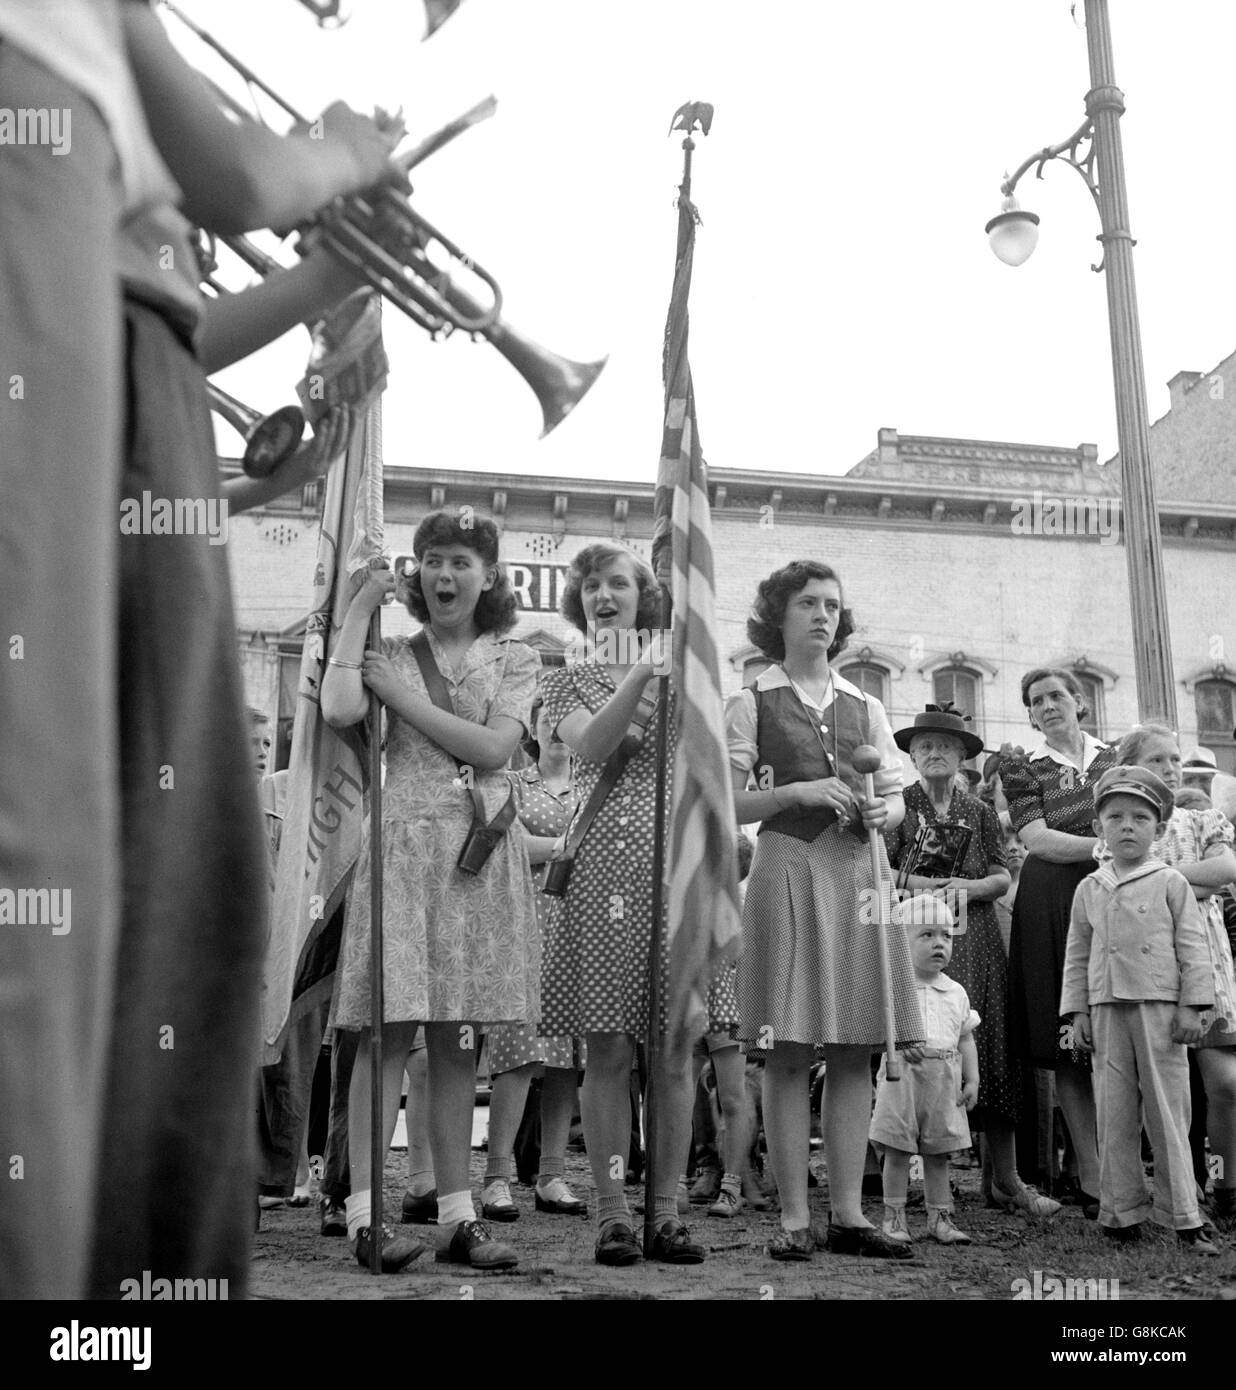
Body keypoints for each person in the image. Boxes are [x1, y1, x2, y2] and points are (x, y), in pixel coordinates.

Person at [323, 511, 540, 1272]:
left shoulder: (515, 657)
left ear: (488, 576)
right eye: (431, 561)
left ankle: (457, 1216)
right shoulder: (388, 646)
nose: (444, 576)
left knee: (457, 1039)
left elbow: (492, 749)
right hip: (406, 848)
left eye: (460, 562)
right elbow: (340, 708)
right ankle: (365, 1217)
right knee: (386, 1032)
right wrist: (356, 611)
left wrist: (401, 696)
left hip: (477, 853)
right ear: (414, 573)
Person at [726, 560, 921, 1261]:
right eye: (806, 603)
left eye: (832, 605)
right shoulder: (751, 700)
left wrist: (883, 807)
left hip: (857, 874)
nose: (822, 615)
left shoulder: (865, 706)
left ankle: (847, 1215)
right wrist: (793, 795)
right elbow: (725, 801)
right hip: (785, 869)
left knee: (852, 1049)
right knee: (785, 1050)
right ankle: (791, 1218)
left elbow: (898, 800)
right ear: (777, 616)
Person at [539, 544, 704, 1267]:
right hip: (603, 864)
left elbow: (715, 770)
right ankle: (611, 1209)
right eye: (591, 586)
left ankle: (664, 1212)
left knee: (673, 1049)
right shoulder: (569, 681)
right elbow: (597, 747)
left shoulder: (689, 680)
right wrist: (641, 668)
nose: (603, 594)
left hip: (677, 868)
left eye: (619, 583)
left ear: (645, 595)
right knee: (606, 1046)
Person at [886, 705, 1059, 1219]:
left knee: (987, 1042)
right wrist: (931, 888)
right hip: (915, 936)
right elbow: (883, 872)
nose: (934, 753)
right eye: (924, 747)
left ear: (962, 756)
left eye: (945, 745)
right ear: (912, 757)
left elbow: (1001, 874)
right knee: (918, 1046)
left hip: (977, 937)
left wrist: (968, 886)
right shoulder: (901, 804)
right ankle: (912, 1179)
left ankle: (1004, 1179)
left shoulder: (980, 810)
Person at [1060, 766, 1218, 1253]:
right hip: (1107, 1008)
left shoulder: (1170, 881)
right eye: (1115, 816)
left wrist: (1194, 1006)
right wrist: (1077, 1013)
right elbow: (1077, 954)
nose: (1127, 826)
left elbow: (1194, 947)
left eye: (1141, 818)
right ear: (1098, 827)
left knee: (1168, 1113)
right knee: (1113, 1113)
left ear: (1160, 827)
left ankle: (1184, 1216)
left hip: (1160, 1011)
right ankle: (1120, 1213)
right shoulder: (1090, 887)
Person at [1002, 668, 1118, 1220]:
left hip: (1118, 897)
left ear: (1080, 701)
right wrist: (1110, 847)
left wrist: (1120, 857)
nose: (1047, 706)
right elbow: (1036, 838)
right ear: (1029, 714)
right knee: (1071, 1035)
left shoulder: (1115, 758)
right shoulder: (1023, 767)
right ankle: (1096, 1183)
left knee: (1119, 1027)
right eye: (1035, 701)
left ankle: (1120, 1171)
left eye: (1055, 696)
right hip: (1053, 900)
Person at [1111, 724, 1236, 1230]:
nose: (1169, 770)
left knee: (1225, 1082)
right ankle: (1177, 1194)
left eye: (1174, 760)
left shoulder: (1203, 818)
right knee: (1162, 1095)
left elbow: (1225, 868)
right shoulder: (1124, 822)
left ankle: (1226, 1182)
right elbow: (1121, 884)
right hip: (1150, 974)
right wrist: (1188, 883)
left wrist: (1159, 879)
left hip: (1207, 965)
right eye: (1157, 761)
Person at [481, 700, 588, 1222]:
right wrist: (567, 847)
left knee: (569, 1059)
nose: (561, 730)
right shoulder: (515, 783)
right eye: (551, 720)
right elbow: (507, 844)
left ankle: (551, 1174)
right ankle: (496, 1177)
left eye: (571, 721)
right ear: (535, 728)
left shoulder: (594, 785)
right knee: (518, 1051)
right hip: (527, 924)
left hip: (581, 931)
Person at [872, 895, 979, 1246]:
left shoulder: (956, 992)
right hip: (901, 1077)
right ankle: (894, 1216)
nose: (939, 943)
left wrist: (972, 1079)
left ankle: (940, 1217)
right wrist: (901, 1041)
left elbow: (965, 1038)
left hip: (944, 1080)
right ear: (902, 942)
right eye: (927, 935)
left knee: (938, 1152)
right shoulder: (893, 991)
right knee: (898, 1149)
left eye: (946, 936)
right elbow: (877, 1031)